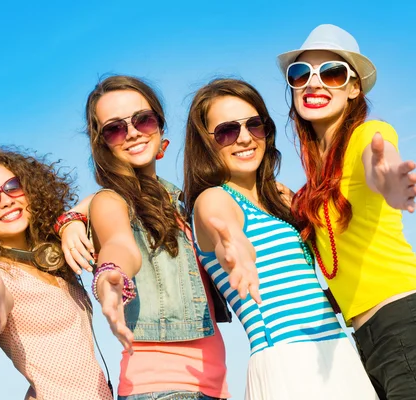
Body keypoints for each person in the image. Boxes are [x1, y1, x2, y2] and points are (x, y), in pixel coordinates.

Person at [183, 78, 377, 399]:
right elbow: (221, 223)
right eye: (227, 131)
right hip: (288, 360)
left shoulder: (282, 199)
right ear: (205, 142)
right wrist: (234, 243)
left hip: (336, 351)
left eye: (254, 125)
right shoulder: (213, 198)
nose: (245, 138)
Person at [79, 74, 244, 400]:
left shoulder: (182, 202)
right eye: (114, 128)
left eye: (143, 120)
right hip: (161, 389)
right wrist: (110, 273)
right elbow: (119, 243)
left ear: (160, 127)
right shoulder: (110, 200)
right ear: (102, 144)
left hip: (210, 388)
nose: (132, 133)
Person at [277, 24, 416, 399]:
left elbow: (379, 160)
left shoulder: (365, 136)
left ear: (354, 88)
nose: (314, 83)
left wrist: (389, 180)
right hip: (366, 336)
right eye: (301, 74)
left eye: (332, 73)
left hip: (402, 318)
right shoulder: (317, 179)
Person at [0, 148, 113, 400]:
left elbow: (108, 197)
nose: (6, 200)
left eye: (13, 186)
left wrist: (70, 221)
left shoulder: (49, 259)